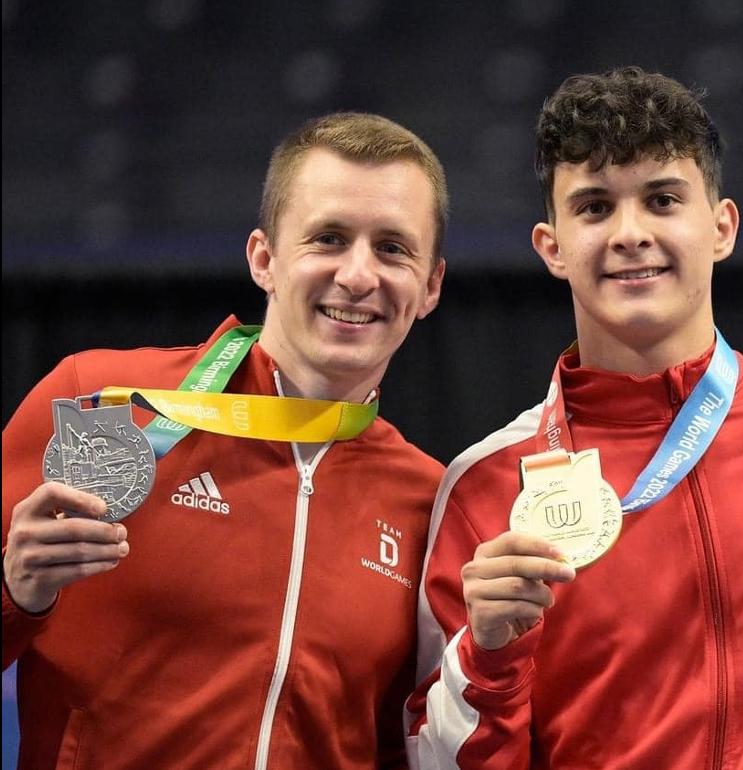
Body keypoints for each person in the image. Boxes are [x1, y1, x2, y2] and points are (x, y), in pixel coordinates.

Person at [404, 66, 743, 769]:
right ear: (550, 246)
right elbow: (431, 758)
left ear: (721, 226)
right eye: (594, 207)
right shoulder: (486, 486)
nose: (630, 232)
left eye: (663, 200)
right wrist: (486, 657)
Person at [2, 112, 448, 769]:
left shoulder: (429, 501)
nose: (358, 276)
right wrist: (15, 593)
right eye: (328, 238)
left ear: (431, 286)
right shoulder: (102, 403)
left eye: (392, 248)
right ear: (263, 259)